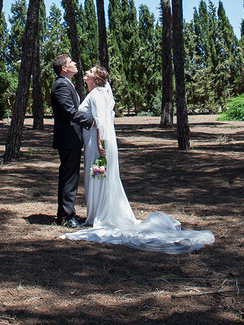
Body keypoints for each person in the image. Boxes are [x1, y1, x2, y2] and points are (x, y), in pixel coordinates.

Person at [64, 65, 215, 254]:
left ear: (95, 79)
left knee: (97, 177)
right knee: (98, 177)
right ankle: (96, 214)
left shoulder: (96, 95)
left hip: (97, 145)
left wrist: (100, 145)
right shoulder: (98, 94)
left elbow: (101, 122)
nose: (86, 72)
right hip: (94, 143)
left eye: (90, 71)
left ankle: (99, 215)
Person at [50, 53, 94, 228]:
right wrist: (91, 121)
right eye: (71, 62)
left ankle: (68, 213)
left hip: (72, 138)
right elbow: (70, 111)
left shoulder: (67, 84)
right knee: (69, 177)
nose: (75, 63)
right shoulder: (61, 85)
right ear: (64, 68)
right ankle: (66, 216)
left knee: (72, 177)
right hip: (67, 138)